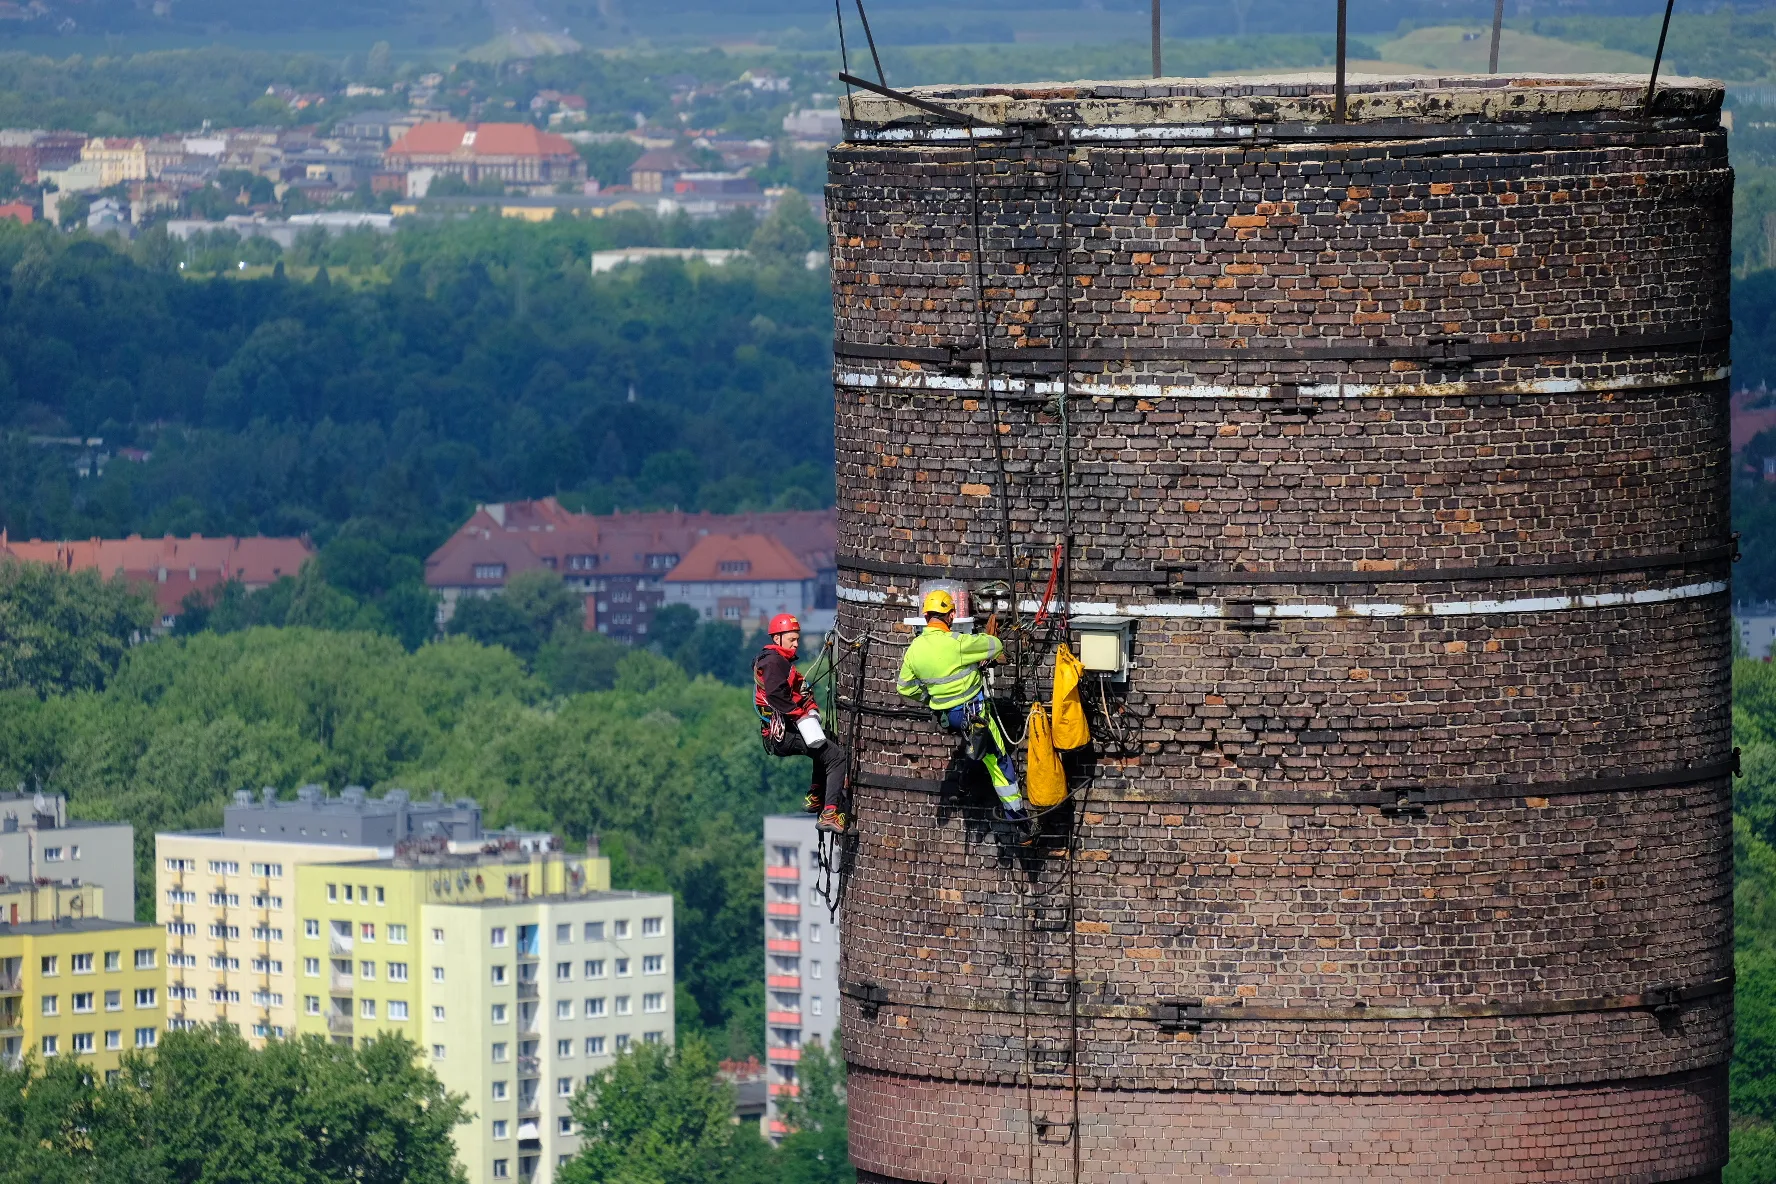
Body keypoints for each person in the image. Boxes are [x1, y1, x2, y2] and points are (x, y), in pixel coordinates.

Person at [896, 589, 1028, 822]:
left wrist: (930, 699)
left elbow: (904, 687)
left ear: (926, 617)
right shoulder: (958, 642)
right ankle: (1017, 818)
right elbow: (995, 645)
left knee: (976, 748)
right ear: (950, 616)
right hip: (974, 714)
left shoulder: (914, 650)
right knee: (999, 760)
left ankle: (966, 779)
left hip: (948, 717)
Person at [754, 614, 850, 835]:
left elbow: (796, 688)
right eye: (791, 639)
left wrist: (809, 706)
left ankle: (816, 794)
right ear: (777, 638)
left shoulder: (778, 662)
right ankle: (829, 814)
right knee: (836, 757)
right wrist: (801, 715)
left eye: (797, 639)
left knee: (827, 740)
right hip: (783, 734)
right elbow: (776, 695)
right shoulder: (774, 663)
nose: (796, 644)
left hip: (782, 732)